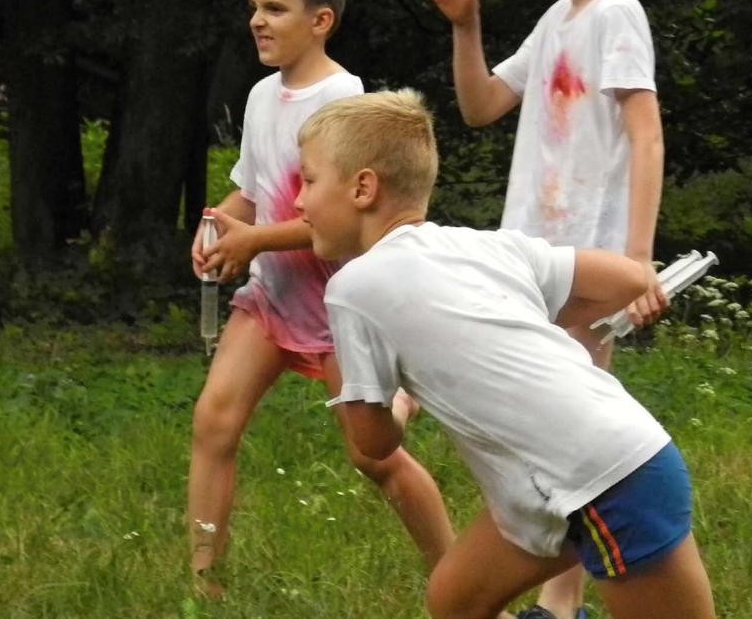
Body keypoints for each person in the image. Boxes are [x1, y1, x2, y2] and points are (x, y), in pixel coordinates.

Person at [293, 88, 715, 619]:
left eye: (308, 180)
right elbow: (630, 281)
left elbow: (373, 441)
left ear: (363, 188)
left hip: (609, 479)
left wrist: (401, 404)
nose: (298, 201)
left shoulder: (353, 289)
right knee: (455, 602)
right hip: (568, 477)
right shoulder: (485, 247)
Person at [409, 0, 667, 619]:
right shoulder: (558, 18)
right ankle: (559, 608)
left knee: (568, 440)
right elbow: (483, 103)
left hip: (587, 259)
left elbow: (646, 137)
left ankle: (563, 607)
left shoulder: (618, 14)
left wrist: (637, 260)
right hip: (527, 255)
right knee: (548, 436)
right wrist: (467, 26)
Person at [187, 0, 454, 596]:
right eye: (254, 7)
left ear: (321, 20)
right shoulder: (258, 96)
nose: (258, 20)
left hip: (342, 308)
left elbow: (338, 227)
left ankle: (456, 583)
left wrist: (252, 240)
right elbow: (249, 193)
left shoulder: (348, 104)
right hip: (272, 302)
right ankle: (202, 589)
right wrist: (218, 226)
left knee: (374, 457)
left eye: (275, 8)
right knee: (213, 422)